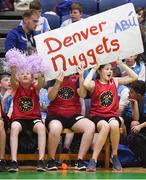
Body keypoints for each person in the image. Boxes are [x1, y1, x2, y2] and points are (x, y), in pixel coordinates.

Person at [83, 59, 138, 172]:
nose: (110, 72)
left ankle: (115, 156)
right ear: (100, 71)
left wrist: (121, 64)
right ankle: (94, 159)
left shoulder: (115, 81)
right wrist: (93, 69)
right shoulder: (94, 84)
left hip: (112, 115)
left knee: (113, 124)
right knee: (105, 126)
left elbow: (134, 77)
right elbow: (85, 84)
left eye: (111, 69)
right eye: (107, 69)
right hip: (97, 116)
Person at [5, 49, 46, 172]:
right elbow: (12, 81)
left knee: (41, 127)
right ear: (19, 77)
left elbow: (41, 82)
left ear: (33, 77)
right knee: (14, 127)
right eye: (22, 73)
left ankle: (41, 160)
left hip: (34, 119)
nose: (25, 75)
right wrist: (13, 71)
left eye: (28, 73)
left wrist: (41, 72)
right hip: (19, 119)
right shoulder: (16, 88)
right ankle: (13, 161)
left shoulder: (36, 88)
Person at [45, 68, 95, 171]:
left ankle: (79, 160)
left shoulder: (76, 78)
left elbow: (83, 95)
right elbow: (51, 97)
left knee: (90, 126)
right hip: (55, 115)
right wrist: (58, 83)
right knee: (55, 128)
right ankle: (51, 160)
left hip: (73, 115)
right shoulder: (53, 77)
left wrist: (81, 77)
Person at [127, 80, 146, 167]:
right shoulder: (137, 100)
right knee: (134, 124)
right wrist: (134, 104)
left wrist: (140, 127)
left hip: (144, 126)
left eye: (131, 92)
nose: (129, 93)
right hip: (143, 127)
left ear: (138, 94)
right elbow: (136, 119)